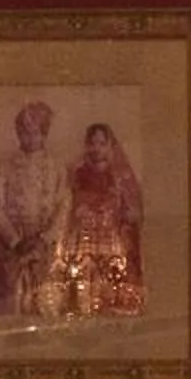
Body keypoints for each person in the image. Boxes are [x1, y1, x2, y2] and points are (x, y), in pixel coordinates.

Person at [0, 100, 67, 317]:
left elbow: (63, 207)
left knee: (46, 305)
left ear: (44, 134)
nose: (29, 138)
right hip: (14, 250)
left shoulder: (56, 167)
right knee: (13, 306)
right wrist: (16, 241)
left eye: (35, 133)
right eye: (24, 132)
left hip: (45, 252)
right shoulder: (6, 167)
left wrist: (44, 239)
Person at [58, 121, 145, 318]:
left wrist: (115, 213)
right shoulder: (77, 174)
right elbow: (69, 206)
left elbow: (132, 211)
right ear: (87, 146)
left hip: (112, 240)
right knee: (84, 284)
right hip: (84, 240)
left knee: (111, 282)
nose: (96, 149)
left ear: (109, 146)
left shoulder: (120, 176)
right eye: (92, 143)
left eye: (101, 143)